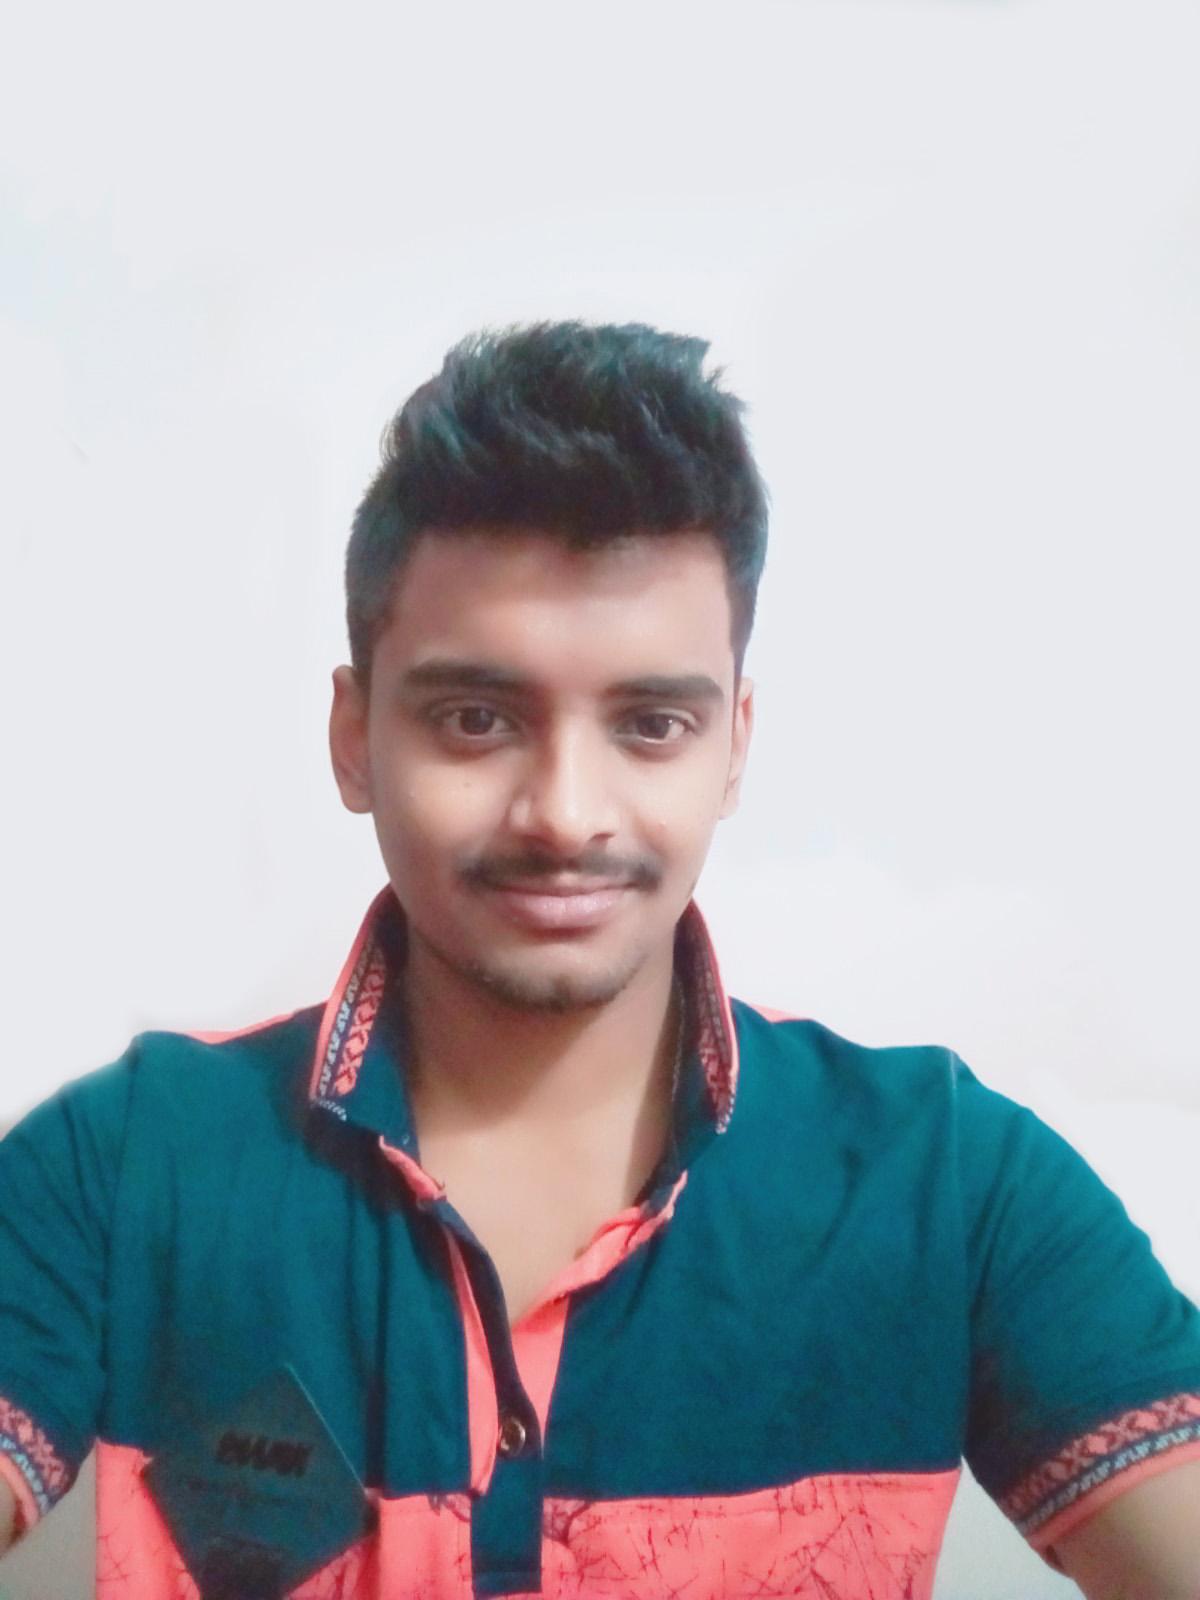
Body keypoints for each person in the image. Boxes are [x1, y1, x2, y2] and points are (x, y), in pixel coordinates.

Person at [1, 321, 1198, 1600]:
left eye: (651, 723)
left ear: (733, 746)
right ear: (354, 737)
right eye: (477, 718)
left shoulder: (951, 1183)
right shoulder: (124, 1168)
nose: (567, 814)